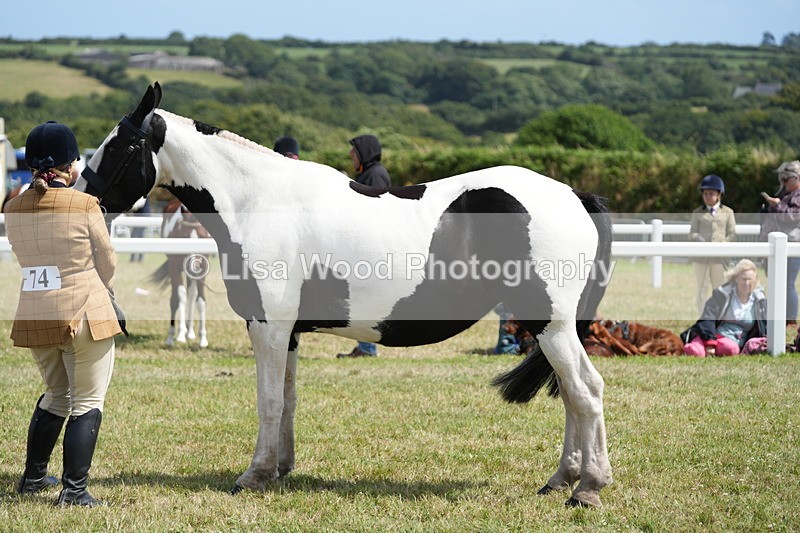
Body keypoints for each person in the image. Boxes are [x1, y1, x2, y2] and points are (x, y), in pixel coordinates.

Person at [4, 121, 123, 507]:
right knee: (87, 401)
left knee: (56, 396)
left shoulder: (13, 208)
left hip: (38, 310)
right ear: (71, 166)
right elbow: (108, 266)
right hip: (83, 312)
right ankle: (73, 492)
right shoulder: (85, 205)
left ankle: (34, 477)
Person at [337, 134, 392, 359]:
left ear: (364, 153)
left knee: (364, 298)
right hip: (365, 247)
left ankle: (367, 348)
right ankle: (365, 346)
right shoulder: (369, 174)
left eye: (355, 150)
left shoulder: (376, 175)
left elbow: (375, 213)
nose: (351, 154)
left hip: (371, 248)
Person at [681, 259, 767, 356]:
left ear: (756, 281)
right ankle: (699, 344)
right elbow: (708, 318)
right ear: (736, 279)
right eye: (743, 279)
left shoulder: (760, 301)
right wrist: (710, 343)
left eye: (750, 279)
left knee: (731, 349)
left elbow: (766, 326)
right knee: (695, 351)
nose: (747, 283)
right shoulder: (722, 295)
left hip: (734, 344)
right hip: (714, 335)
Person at [688, 174, 736, 315]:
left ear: (719, 194)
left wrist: (723, 244)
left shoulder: (728, 212)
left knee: (719, 288)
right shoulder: (697, 213)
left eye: (711, 193)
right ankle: (702, 316)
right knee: (701, 288)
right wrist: (699, 238)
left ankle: (719, 315)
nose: (708, 196)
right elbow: (691, 233)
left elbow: (732, 234)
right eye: (705, 193)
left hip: (719, 258)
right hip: (701, 258)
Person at [760, 160, 800, 326]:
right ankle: (778, 314)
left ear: (796, 178)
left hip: (792, 245)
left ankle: (790, 319)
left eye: (786, 178)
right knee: (778, 281)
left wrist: (778, 205)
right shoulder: (787, 194)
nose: (782, 182)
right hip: (778, 244)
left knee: (788, 282)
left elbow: (793, 216)